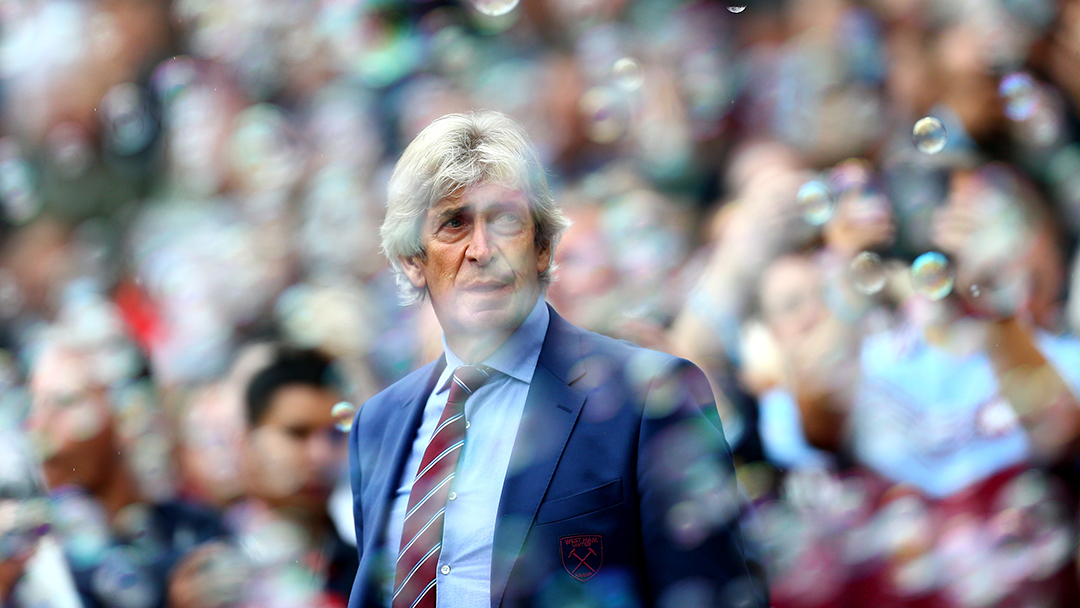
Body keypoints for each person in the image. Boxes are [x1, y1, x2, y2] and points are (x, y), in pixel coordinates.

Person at [347, 110, 764, 608]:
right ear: (414, 261)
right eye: (453, 223)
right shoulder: (378, 423)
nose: (482, 249)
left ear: (543, 249)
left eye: (505, 220)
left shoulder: (650, 394)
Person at [170, 346, 360, 608]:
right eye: (297, 433)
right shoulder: (193, 565)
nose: (321, 455)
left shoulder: (363, 573)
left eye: (334, 435)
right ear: (246, 440)